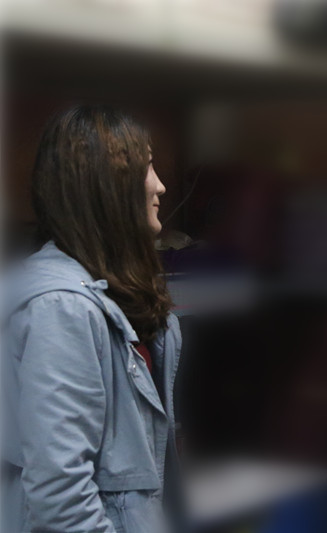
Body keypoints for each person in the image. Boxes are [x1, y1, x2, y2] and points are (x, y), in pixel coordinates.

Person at [1, 106, 182, 532]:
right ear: (107, 183)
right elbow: (62, 499)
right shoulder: (61, 308)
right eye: (147, 166)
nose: (161, 185)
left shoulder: (122, 292)